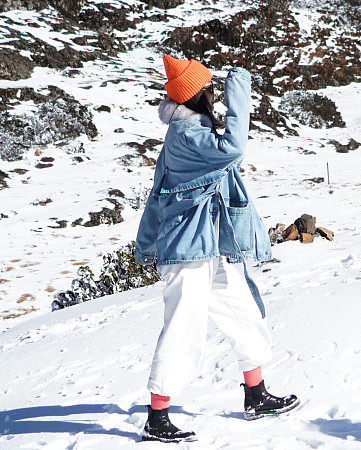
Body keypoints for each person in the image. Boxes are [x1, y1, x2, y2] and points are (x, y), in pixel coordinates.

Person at [134, 55, 299, 443]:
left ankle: (256, 395)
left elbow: (159, 191)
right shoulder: (188, 135)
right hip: (187, 250)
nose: (215, 94)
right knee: (183, 328)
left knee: (243, 313)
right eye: (210, 89)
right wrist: (239, 88)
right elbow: (234, 147)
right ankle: (157, 418)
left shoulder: (196, 129)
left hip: (210, 246)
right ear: (195, 96)